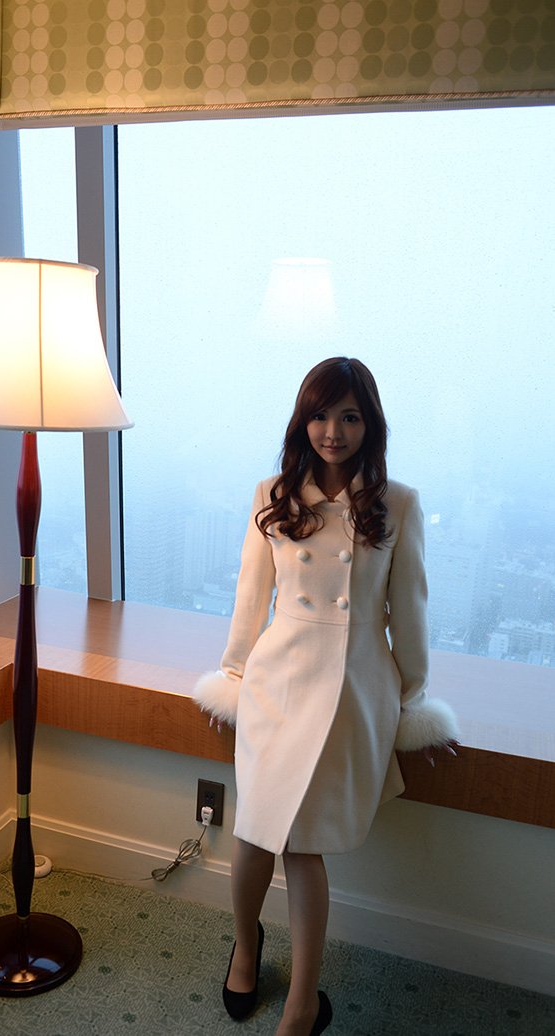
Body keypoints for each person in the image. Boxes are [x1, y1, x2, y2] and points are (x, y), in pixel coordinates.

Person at [193, 357, 460, 1036]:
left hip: (351, 687)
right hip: (276, 682)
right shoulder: (273, 494)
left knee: (298, 841)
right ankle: (247, 947)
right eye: (319, 415)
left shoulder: (398, 503)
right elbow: (250, 599)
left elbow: (411, 612)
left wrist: (414, 705)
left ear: (370, 424)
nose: (332, 431)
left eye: (349, 416)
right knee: (255, 831)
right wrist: (232, 678)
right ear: (301, 421)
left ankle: (302, 1004)